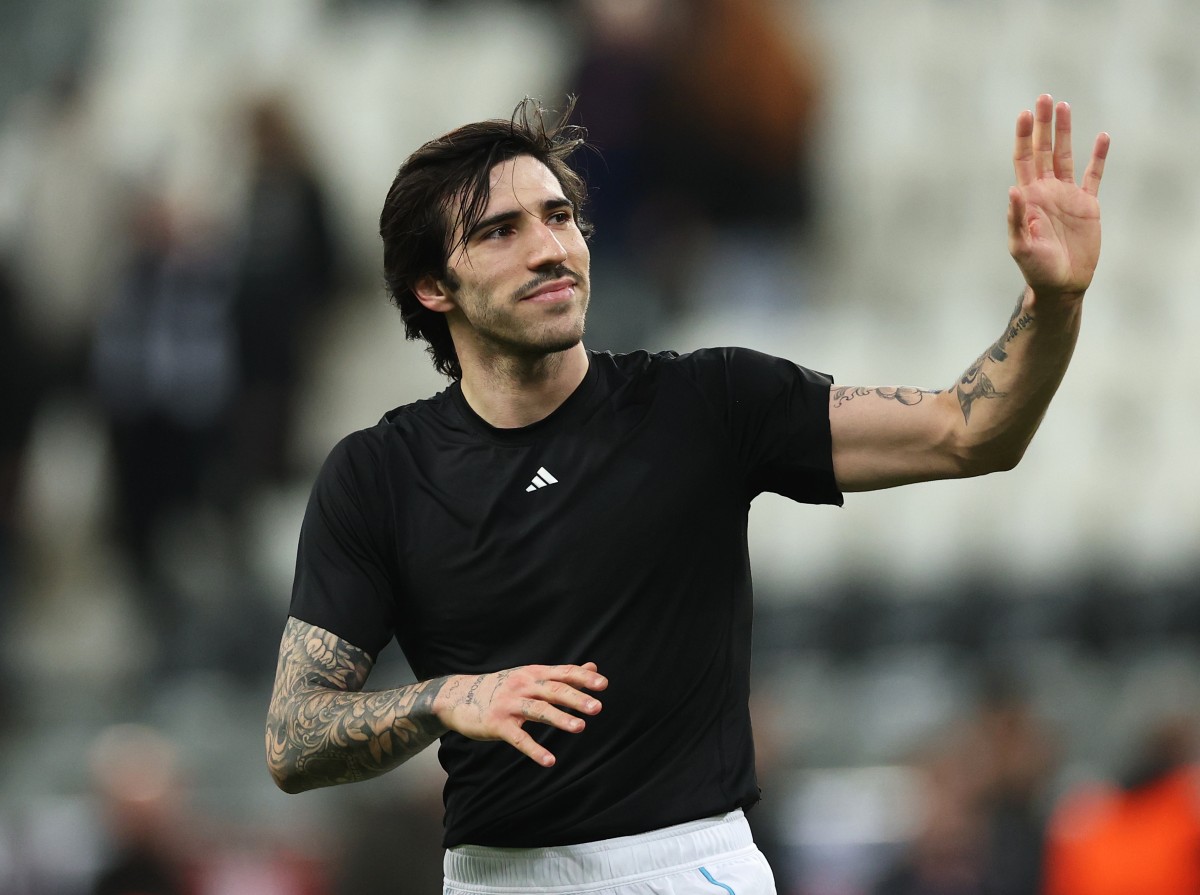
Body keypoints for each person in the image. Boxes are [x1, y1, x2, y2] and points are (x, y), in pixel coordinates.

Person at [265, 94, 1109, 894]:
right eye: (500, 231)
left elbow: (970, 431)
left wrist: (1055, 300)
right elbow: (293, 735)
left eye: (560, 217)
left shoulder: (708, 403)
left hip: (693, 867)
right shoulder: (377, 474)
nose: (550, 247)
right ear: (432, 287)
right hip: (497, 875)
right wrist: (446, 697)